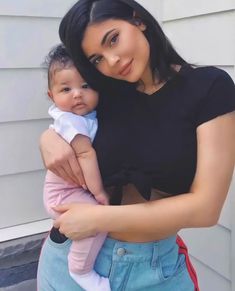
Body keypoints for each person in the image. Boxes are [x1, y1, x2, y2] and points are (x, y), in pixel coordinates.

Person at [37, 0, 235, 290]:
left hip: (153, 271)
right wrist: (48, 139)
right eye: (96, 59)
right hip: (70, 260)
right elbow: (67, 117)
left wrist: (98, 218)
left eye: (113, 39)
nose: (112, 61)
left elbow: (206, 209)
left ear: (137, 19)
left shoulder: (208, 88)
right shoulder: (106, 92)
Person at [42, 44, 110, 291]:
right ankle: (80, 270)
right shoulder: (70, 121)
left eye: (85, 86)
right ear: (52, 96)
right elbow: (85, 154)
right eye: (66, 89)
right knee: (95, 217)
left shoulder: (87, 116)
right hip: (62, 196)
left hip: (71, 191)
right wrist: (100, 193)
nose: (77, 95)